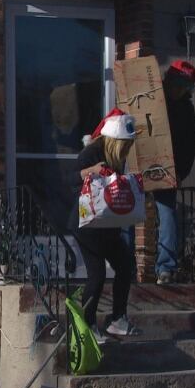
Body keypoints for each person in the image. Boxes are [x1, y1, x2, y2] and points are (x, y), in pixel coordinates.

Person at [73, 108, 141, 342]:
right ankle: (87, 324)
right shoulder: (91, 153)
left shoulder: (116, 157)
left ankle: (117, 319)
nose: (128, 151)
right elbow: (72, 178)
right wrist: (91, 171)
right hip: (87, 224)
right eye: (125, 145)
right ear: (114, 141)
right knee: (97, 274)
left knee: (125, 266)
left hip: (108, 224)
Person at [154, 60, 195, 284]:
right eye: (177, 84)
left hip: (168, 167)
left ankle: (165, 268)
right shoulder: (153, 98)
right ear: (169, 80)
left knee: (167, 213)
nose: (179, 90)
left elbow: (189, 145)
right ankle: (124, 264)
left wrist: (181, 172)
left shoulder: (185, 109)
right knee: (128, 212)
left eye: (185, 87)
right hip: (141, 161)